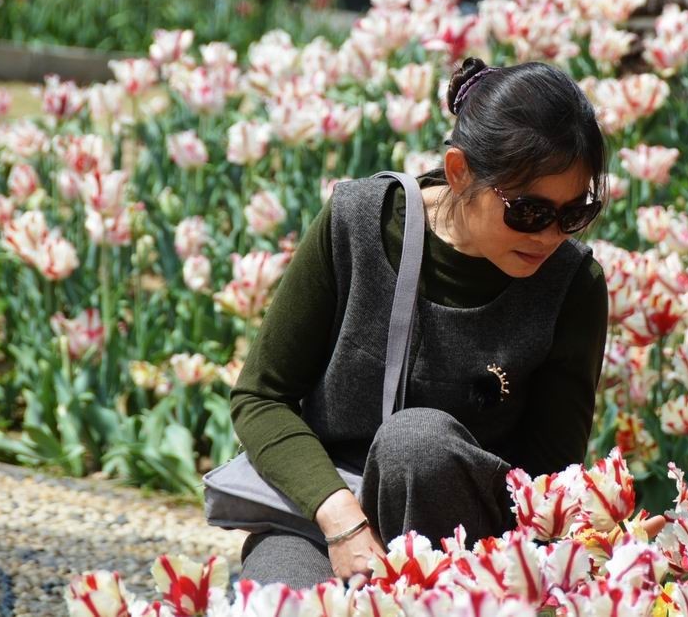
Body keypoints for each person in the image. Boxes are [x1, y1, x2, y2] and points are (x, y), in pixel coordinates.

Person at [230, 58, 611, 586]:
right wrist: (339, 517)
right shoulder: (359, 223)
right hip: (327, 514)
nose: (549, 236)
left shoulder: (572, 286)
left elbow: (548, 479)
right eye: (528, 211)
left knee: (417, 444)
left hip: (472, 544)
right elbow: (260, 398)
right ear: (459, 172)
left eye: (574, 213)